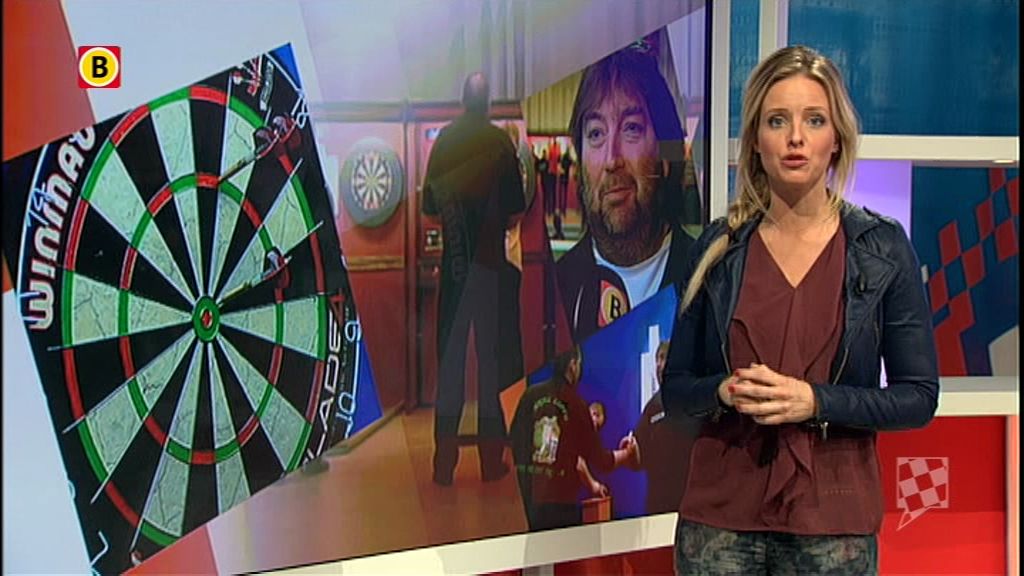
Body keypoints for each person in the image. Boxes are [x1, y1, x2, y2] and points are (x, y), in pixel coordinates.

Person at [661, 45, 939, 575]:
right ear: (755, 140)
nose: (795, 137)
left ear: (836, 139)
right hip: (719, 529)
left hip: (834, 525)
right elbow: (676, 392)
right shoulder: (718, 249)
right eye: (777, 121)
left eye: (814, 120)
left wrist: (816, 401)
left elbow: (918, 397)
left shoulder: (881, 249)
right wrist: (721, 392)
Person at [422, 72, 526, 485]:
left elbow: (430, 207)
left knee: (450, 366)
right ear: (489, 102)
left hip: (455, 269)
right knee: (490, 366)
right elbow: (516, 209)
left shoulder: (444, 142)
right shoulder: (500, 144)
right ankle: (489, 461)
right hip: (490, 270)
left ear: (463, 100)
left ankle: (443, 464)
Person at [557, 44, 697, 343]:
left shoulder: (708, 281)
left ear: (665, 154)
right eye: (596, 133)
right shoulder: (554, 291)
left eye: (631, 128)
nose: (612, 159)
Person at [510, 346, 637, 531]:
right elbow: (601, 461)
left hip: (530, 505)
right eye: (579, 364)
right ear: (572, 365)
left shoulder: (530, 395)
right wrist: (627, 454)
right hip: (562, 509)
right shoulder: (577, 405)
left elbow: (515, 442)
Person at [630, 341, 701, 514]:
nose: (659, 365)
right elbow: (638, 456)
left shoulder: (695, 397)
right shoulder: (652, 407)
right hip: (659, 507)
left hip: (692, 504)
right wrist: (630, 450)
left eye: (664, 358)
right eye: (658, 359)